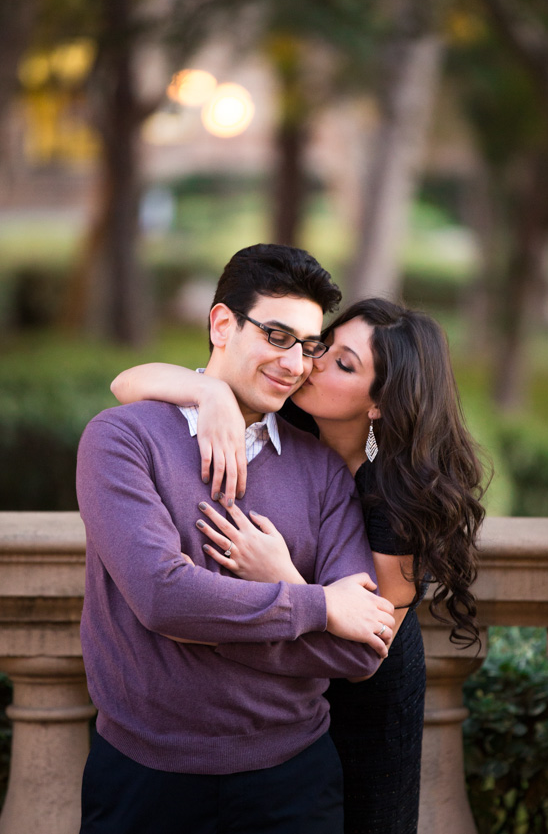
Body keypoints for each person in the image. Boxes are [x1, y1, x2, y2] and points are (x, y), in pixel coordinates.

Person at [112, 295, 488, 834]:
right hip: (273, 702)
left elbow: (361, 637)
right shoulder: (288, 413)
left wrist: (277, 575)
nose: (309, 363)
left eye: (343, 364)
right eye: (323, 346)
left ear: (379, 402)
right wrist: (208, 391)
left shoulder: (393, 500)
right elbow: (126, 384)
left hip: (363, 701)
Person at [77, 244, 397, 834]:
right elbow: (162, 598)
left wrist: (199, 629)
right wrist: (319, 606)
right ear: (222, 324)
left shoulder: (322, 469)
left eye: (309, 345)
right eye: (277, 336)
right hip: (145, 779)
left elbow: (359, 649)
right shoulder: (122, 440)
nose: (297, 363)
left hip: (294, 783)